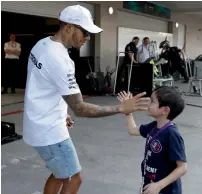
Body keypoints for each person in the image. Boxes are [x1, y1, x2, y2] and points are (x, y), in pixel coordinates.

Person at [23, 5, 150, 194]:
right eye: (85, 32)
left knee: (60, 174)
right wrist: (120, 108)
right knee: (74, 179)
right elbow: (80, 108)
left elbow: (44, 85)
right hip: (50, 132)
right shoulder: (60, 59)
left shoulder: (42, 44)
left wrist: (61, 111)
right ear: (68, 27)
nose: (88, 38)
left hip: (38, 124)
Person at [117, 87, 187, 194]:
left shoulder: (172, 134)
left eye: (152, 101)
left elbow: (182, 168)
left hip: (166, 190)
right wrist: (128, 111)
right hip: (149, 185)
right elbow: (132, 130)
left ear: (165, 110)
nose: (148, 103)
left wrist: (159, 185)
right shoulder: (154, 126)